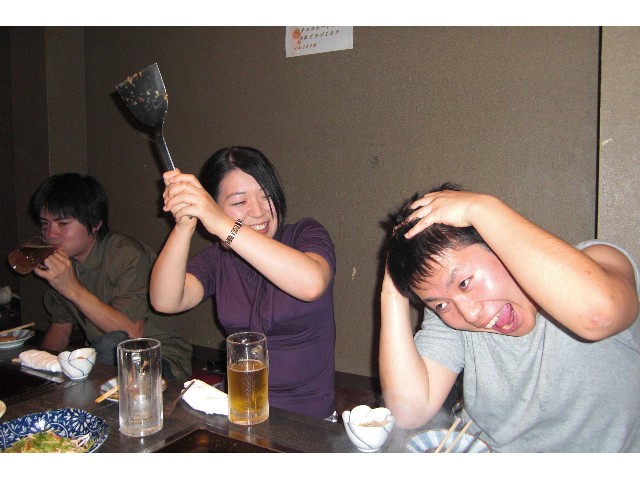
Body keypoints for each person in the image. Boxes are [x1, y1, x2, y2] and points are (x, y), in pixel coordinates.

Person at [380, 182, 640, 452]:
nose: (469, 314)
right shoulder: (452, 319)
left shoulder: (597, 264)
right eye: (441, 304)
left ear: (496, 242)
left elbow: (598, 315)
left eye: (465, 283)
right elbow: (408, 411)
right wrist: (391, 291)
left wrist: (479, 207)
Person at [149, 146, 337, 420]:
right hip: (240, 412)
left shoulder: (305, 234)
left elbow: (312, 284)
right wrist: (185, 225)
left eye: (266, 195)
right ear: (214, 206)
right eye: (239, 202)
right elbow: (165, 301)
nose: (259, 211)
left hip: (308, 421)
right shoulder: (217, 259)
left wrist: (222, 223)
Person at [28, 173, 193, 381]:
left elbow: (131, 334)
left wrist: (70, 287)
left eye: (63, 224)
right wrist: (41, 366)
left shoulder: (128, 255)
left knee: (110, 346)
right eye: (45, 224)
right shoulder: (65, 262)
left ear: (95, 223)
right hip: (108, 356)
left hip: (159, 360)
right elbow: (61, 327)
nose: (50, 234)